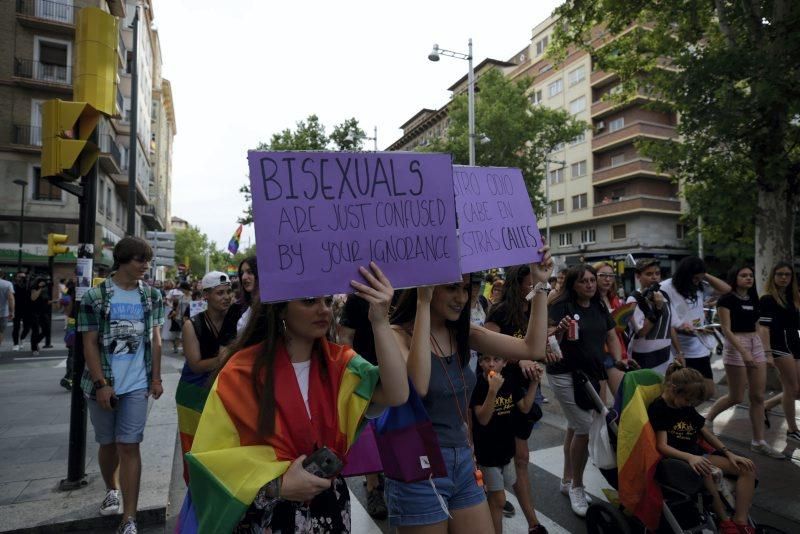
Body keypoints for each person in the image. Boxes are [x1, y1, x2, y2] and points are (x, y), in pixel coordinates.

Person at [183, 262, 408, 533]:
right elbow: (213, 463)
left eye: (326, 300)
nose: (323, 309)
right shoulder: (239, 373)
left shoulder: (343, 365)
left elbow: (397, 393)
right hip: (267, 516)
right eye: (310, 301)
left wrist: (380, 320)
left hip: (330, 510)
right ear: (280, 307)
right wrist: (279, 485)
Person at [384, 249, 554, 533]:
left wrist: (539, 284)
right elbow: (418, 385)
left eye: (466, 288)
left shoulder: (465, 334)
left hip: (462, 459)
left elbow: (533, 348)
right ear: (425, 286)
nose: (462, 298)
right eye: (451, 287)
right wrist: (423, 303)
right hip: (417, 466)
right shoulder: (395, 335)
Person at [77, 237, 165, 534]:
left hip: (137, 385)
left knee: (130, 445)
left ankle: (129, 518)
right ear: (124, 260)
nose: (145, 266)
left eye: (147, 261)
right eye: (140, 260)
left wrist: (156, 377)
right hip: (102, 385)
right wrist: (101, 383)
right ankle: (111, 488)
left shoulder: (152, 296)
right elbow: (88, 345)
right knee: (108, 444)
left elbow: (156, 339)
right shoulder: (95, 296)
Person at [547, 264, 621, 517]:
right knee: (583, 426)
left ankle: (567, 480)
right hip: (564, 374)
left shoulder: (599, 305)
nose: (590, 285)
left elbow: (611, 337)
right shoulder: (560, 306)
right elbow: (545, 338)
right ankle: (577, 486)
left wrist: (619, 359)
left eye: (592, 280)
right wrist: (559, 330)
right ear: (572, 285)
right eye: (583, 281)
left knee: (574, 425)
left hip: (591, 373)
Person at [649, 362, 757, 534]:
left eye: (692, 402)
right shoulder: (659, 408)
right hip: (677, 460)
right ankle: (725, 521)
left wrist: (728, 453)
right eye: (687, 400)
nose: (689, 404)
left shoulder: (685, 405)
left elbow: (705, 432)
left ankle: (740, 520)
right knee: (704, 469)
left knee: (747, 468)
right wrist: (690, 457)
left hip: (699, 454)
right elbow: (662, 446)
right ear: (674, 389)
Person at [484, 264, 549, 531]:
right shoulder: (500, 312)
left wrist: (545, 352)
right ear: (517, 283)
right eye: (531, 281)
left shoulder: (534, 310)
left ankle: (530, 522)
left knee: (521, 459)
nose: (535, 286)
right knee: (512, 457)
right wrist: (518, 358)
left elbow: (536, 346)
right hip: (500, 392)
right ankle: (521, 517)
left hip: (525, 390)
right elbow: (486, 354)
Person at [703, 266, 784, 458]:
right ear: (735, 278)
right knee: (737, 396)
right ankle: (708, 418)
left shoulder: (754, 298)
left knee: (758, 397)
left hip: (755, 343)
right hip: (735, 345)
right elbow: (726, 329)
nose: (749, 278)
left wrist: (764, 350)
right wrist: (744, 353)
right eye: (743, 275)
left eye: (750, 276)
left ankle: (759, 442)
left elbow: (759, 325)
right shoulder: (726, 299)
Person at [176, 271, 239, 484]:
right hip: (194, 393)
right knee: (195, 448)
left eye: (229, 291)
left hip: (223, 390)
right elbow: (195, 365)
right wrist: (229, 358)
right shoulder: (191, 325)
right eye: (220, 292)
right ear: (206, 296)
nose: (226, 297)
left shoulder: (237, 320)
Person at [470, 354, 544, 534]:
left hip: (506, 450)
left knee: (497, 497)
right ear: (480, 363)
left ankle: (484, 515)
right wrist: (492, 391)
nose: (491, 363)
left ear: (505, 363)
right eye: (486, 359)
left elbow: (525, 407)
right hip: (487, 454)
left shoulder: (509, 381)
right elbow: (483, 419)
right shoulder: (479, 384)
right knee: (499, 500)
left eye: (497, 359)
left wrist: (534, 383)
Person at [339, 291, 395, 520]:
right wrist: (353, 374)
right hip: (366, 375)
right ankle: (373, 486)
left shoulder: (402, 293)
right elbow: (345, 337)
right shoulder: (357, 298)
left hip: (395, 372)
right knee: (368, 432)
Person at [661, 257, 731, 399]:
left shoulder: (699, 285)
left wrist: (703, 274)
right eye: (695, 278)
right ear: (685, 275)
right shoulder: (666, 287)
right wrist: (679, 352)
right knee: (681, 392)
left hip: (699, 345)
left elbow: (726, 289)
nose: (697, 281)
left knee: (707, 391)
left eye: (699, 278)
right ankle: (681, 418)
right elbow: (668, 323)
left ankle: (688, 416)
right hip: (677, 348)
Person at [759, 262, 800, 443]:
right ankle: (792, 430)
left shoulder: (794, 297)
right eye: (780, 274)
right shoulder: (767, 299)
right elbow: (764, 328)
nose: (784, 277)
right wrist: (767, 353)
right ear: (773, 277)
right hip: (778, 344)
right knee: (792, 388)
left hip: (795, 342)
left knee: (797, 390)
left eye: (787, 275)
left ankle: (766, 406)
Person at [627, 259, 682, 375]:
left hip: (666, 356)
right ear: (638, 276)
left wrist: (679, 352)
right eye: (649, 274)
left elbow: (669, 326)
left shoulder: (664, 295)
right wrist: (657, 309)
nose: (654, 277)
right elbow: (641, 331)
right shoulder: (634, 299)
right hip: (644, 359)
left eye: (657, 273)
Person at [593, 261, 629, 398]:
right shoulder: (588, 299)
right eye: (603, 275)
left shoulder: (614, 299)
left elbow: (617, 333)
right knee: (600, 404)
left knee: (623, 398)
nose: (608, 279)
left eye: (611, 275)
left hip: (614, 353)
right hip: (597, 354)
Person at [236, 256, 259, 334]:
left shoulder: (271, 307)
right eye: (242, 273)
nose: (244, 277)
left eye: (250, 272)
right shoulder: (237, 307)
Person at [29, 277, 51, 356]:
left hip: (43, 312)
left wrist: (53, 301)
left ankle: (35, 342)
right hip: (34, 312)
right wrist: (40, 288)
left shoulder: (46, 289)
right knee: (35, 330)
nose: (43, 283)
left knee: (47, 330)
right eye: (42, 282)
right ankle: (34, 348)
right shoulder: (34, 288)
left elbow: (45, 300)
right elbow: (33, 298)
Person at [11, 271, 31, 351]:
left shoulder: (28, 286)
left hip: (27, 309)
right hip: (16, 309)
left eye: (23, 277)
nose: (22, 278)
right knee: (16, 327)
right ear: (16, 277)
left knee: (27, 327)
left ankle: (22, 338)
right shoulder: (13, 285)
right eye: (20, 277)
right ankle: (15, 344)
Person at [0, 270, 14, 353]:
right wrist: (12, 311)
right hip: (3, 313)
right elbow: (11, 298)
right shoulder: (7, 284)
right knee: (0, 331)